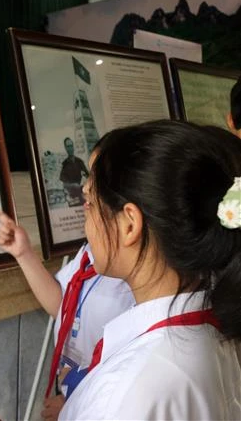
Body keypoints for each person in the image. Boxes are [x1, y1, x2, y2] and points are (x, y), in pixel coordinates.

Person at [60, 120, 241, 419]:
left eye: (90, 202)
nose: (86, 218)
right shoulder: (218, 332)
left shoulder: (124, 394)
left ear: (129, 224)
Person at [0, 142, 135, 420]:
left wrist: (75, 404)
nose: (85, 188)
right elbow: (62, 304)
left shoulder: (135, 276)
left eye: (95, 177)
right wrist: (23, 253)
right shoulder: (91, 253)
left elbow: (126, 368)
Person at [58, 137, 88, 206]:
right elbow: (64, 182)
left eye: (71, 146)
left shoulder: (79, 161)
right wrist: (74, 186)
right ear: (65, 148)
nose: (70, 148)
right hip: (72, 197)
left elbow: (88, 176)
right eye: (68, 146)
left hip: (80, 194)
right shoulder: (64, 164)